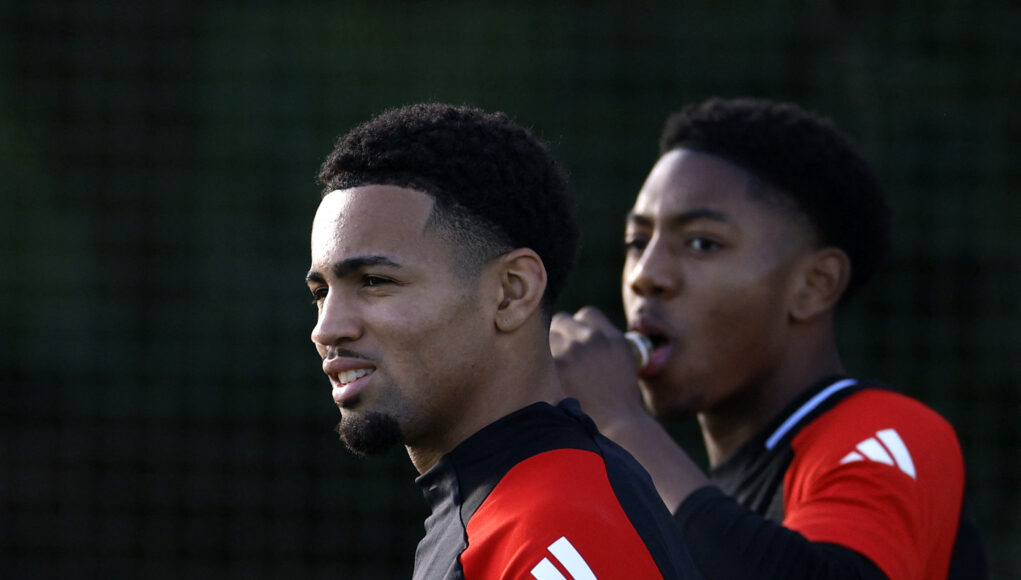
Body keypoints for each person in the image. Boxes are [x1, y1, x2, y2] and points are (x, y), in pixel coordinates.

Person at [551, 97, 987, 579]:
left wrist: (618, 420)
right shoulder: (710, 504)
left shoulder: (887, 432)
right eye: (638, 243)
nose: (645, 276)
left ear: (813, 285)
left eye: (702, 243)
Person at [307, 103, 702, 579]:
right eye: (321, 292)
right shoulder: (495, 513)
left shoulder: (556, 531)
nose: (327, 329)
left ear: (512, 292)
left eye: (374, 281)